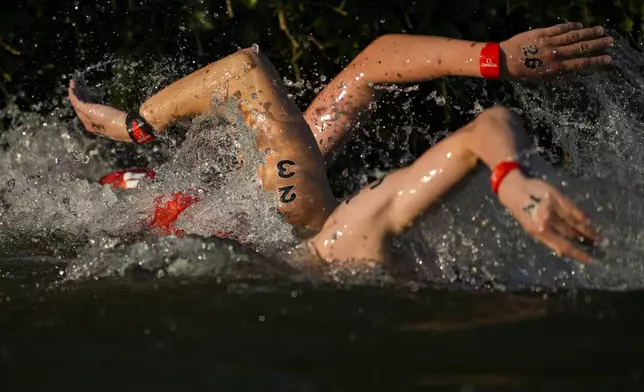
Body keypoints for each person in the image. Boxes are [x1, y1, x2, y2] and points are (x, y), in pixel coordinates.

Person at [68, 22, 613, 264]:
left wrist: (495, 59)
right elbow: (243, 70)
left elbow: (368, 69)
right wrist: (131, 126)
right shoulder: (325, 224)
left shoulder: (283, 199)